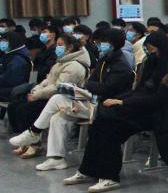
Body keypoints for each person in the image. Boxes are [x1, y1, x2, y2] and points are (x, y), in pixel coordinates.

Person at [62, 33, 168, 193]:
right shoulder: (152, 63)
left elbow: (158, 100)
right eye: (147, 48)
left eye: (151, 49)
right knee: (100, 121)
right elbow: (140, 91)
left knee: (110, 126)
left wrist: (123, 102)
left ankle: (109, 176)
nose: (148, 52)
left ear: (161, 48)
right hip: (142, 108)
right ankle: (87, 170)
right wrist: (119, 99)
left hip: (160, 115)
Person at [13, 29, 134, 172]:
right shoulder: (105, 59)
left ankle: (34, 132)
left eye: (104, 42)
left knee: (57, 98)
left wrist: (92, 86)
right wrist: (92, 87)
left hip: (105, 106)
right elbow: (92, 82)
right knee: (58, 117)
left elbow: (106, 89)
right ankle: (56, 159)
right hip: (91, 99)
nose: (100, 44)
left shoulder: (121, 65)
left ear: (113, 43)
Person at [8, 34, 91, 152]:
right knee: (15, 105)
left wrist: (38, 94)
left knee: (26, 109)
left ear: (70, 47)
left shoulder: (75, 65)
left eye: (60, 45)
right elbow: (49, 79)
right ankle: (26, 140)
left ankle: (35, 144)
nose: (57, 48)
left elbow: (59, 87)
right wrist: (37, 89)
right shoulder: (62, 61)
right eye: (57, 45)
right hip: (49, 95)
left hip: (66, 99)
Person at [0, 31, 31, 101]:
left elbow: (9, 79)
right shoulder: (9, 54)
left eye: (4, 41)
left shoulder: (18, 59)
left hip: (13, 89)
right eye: (1, 40)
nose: (1, 43)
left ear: (13, 41)